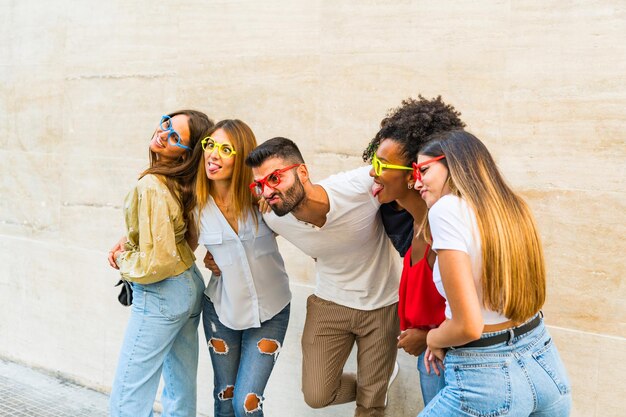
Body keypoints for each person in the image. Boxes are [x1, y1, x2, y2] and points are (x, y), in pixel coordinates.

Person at [415, 130, 572, 416]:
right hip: (544, 362)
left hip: (485, 378)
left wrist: (433, 338)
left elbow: (468, 326)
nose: (416, 182)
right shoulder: (513, 207)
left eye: (423, 170)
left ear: (452, 164)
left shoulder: (447, 209)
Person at [243, 138, 402, 417]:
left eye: (275, 178)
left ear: (302, 173)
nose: (267, 190)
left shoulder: (359, 186)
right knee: (317, 395)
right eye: (259, 184)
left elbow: (402, 176)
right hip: (329, 304)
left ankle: (374, 389)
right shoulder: (274, 217)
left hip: (382, 305)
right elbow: (239, 235)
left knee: (371, 407)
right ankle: (376, 382)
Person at [107, 110, 214, 417]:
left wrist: (122, 258)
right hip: (189, 286)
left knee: (128, 398)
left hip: (162, 293)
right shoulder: (181, 182)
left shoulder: (152, 184)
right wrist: (130, 239)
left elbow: (157, 264)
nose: (164, 133)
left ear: (187, 153)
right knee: (179, 388)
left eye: (176, 136)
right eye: (167, 123)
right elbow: (186, 239)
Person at [362, 96, 466, 406]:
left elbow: (479, 312)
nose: (372, 172)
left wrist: (428, 337)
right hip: (434, 363)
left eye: (381, 165)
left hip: (451, 366)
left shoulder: (441, 232)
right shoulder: (417, 226)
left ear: (413, 175)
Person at [193, 119, 291, 417]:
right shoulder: (194, 205)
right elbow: (170, 243)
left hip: (271, 309)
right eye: (210, 145)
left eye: (226, 149)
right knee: (225, 400)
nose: (213, 155)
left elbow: (308, 226)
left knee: (246, 404)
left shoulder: (262, 199)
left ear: (242, 156)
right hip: (221, 311)